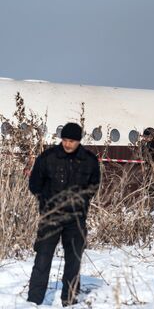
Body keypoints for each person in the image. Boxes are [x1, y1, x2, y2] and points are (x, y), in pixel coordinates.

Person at [27, 122, 100, 306]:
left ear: (79, 141)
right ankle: (33, 301)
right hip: (50, 217)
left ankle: (70, 300)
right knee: (42, 259)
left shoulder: (89, 160)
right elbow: (35, 183)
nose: (67, 144)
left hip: (76, 219)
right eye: (65, 140)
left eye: (72, 141)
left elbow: (93, 186)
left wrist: (80, 201)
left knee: (73, 261)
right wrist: (46, 203)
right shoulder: (48, 157)